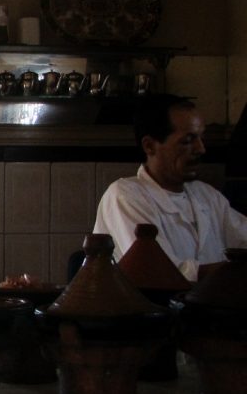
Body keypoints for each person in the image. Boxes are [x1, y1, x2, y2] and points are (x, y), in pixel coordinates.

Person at [94, 94, 247, 281]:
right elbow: (160, 272)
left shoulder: (207, 196)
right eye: (187, 141)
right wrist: (231, 272)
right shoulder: (125, 196)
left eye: (201, 138)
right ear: (150, 146)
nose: (201, 149)